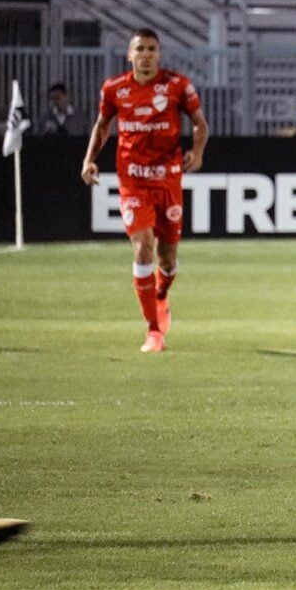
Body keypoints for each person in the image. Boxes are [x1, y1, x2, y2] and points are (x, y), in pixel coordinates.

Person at [81, 28, 208, 353]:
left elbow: (199, 123)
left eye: (152, 49)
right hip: (133, 181)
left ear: (159, 54)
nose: (146, 54)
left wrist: (198, 150)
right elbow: (102, 125)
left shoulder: (177, 86)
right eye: (140, 49)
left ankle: (161, 294)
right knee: (142, 249)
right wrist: (89, 159)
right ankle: (153, 331)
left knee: (167, 259)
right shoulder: (114, 89)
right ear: (130, 54)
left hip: (168, 181)